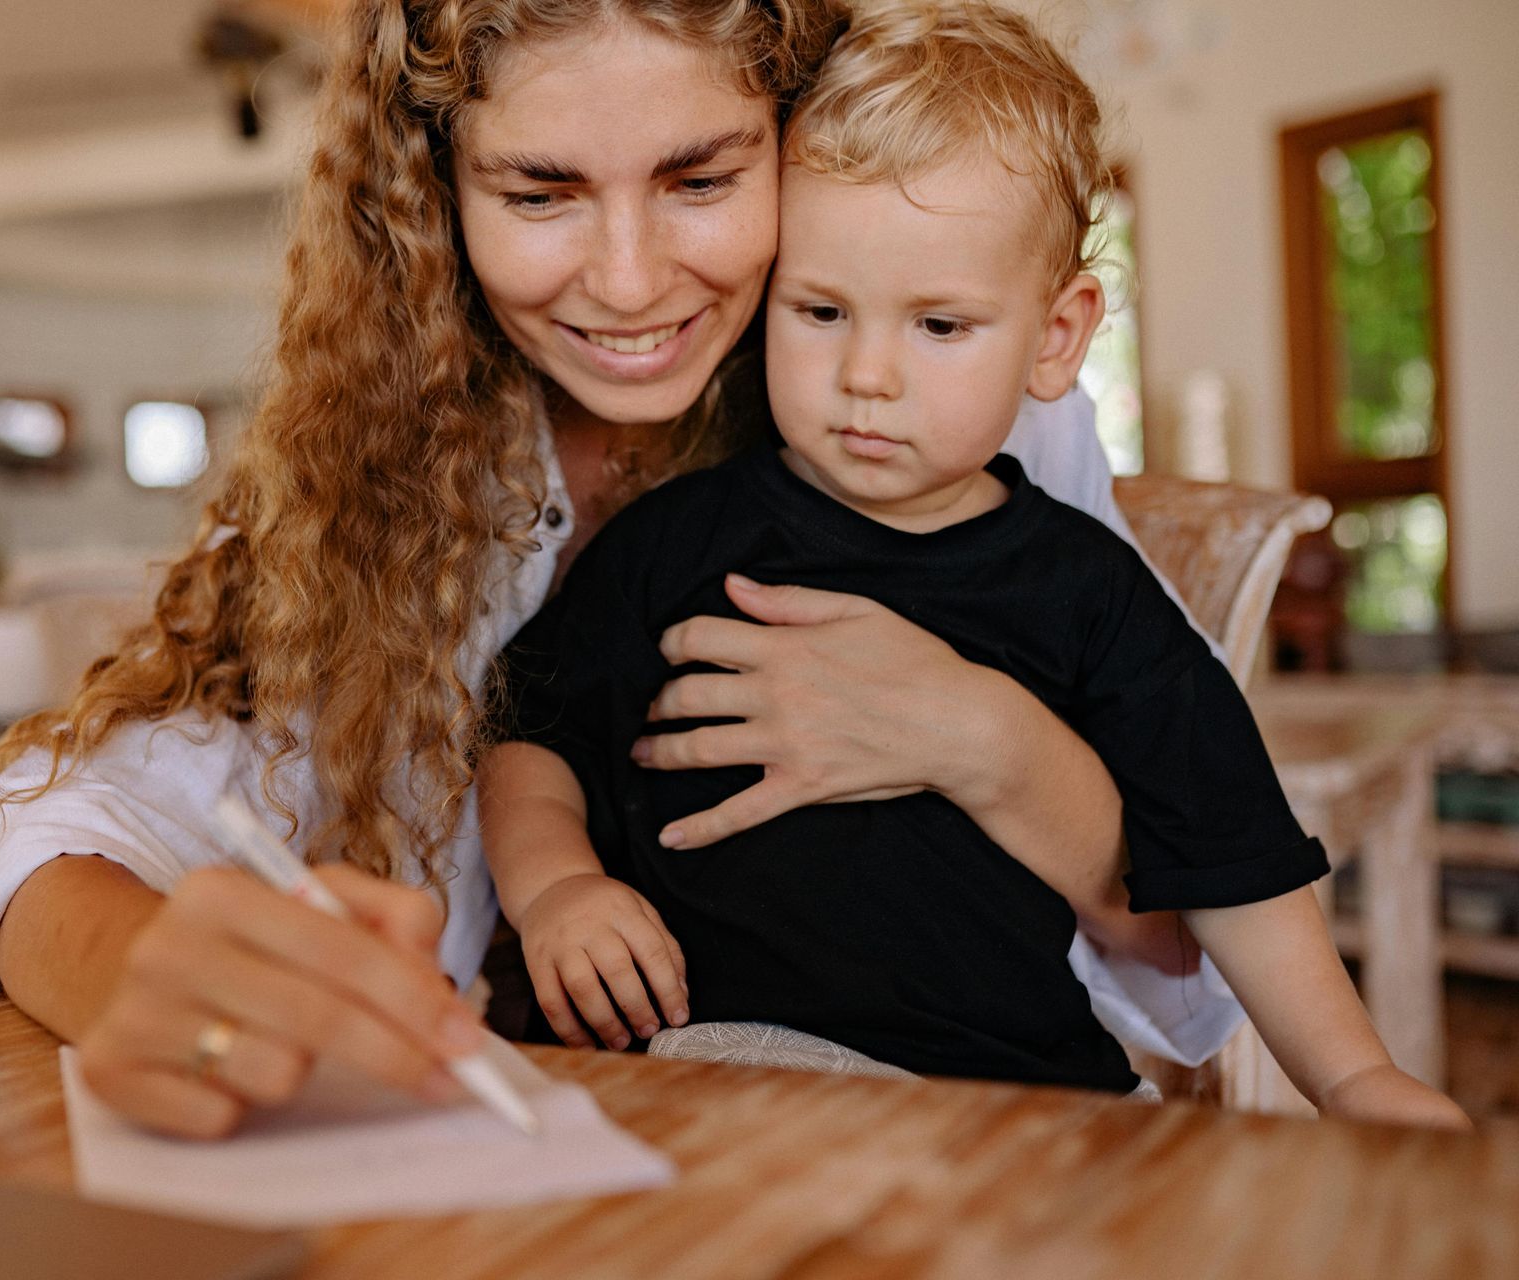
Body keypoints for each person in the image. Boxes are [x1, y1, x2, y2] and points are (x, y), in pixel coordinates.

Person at [0, 0, 1227, 1141]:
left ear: (794, 131)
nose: (628, 283)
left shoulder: (952, 389)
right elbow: (54, 840)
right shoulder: (377, 454)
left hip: (951, 1141)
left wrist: (987, 738)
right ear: (438, 191)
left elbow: (1183, 958)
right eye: (540, 194)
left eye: (702, 178)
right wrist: (153, 974)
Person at [478, 0, 1469, 1126]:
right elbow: (528, 729)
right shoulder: (676, 538)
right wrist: (556, 884)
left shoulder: (1086, 589)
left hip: (1037, 1084)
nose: (867, 373)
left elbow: (1233, 854)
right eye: (821, 309)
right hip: (740, 1059)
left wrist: (1351, 1073)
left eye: (938, 326)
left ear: (1055, 338)